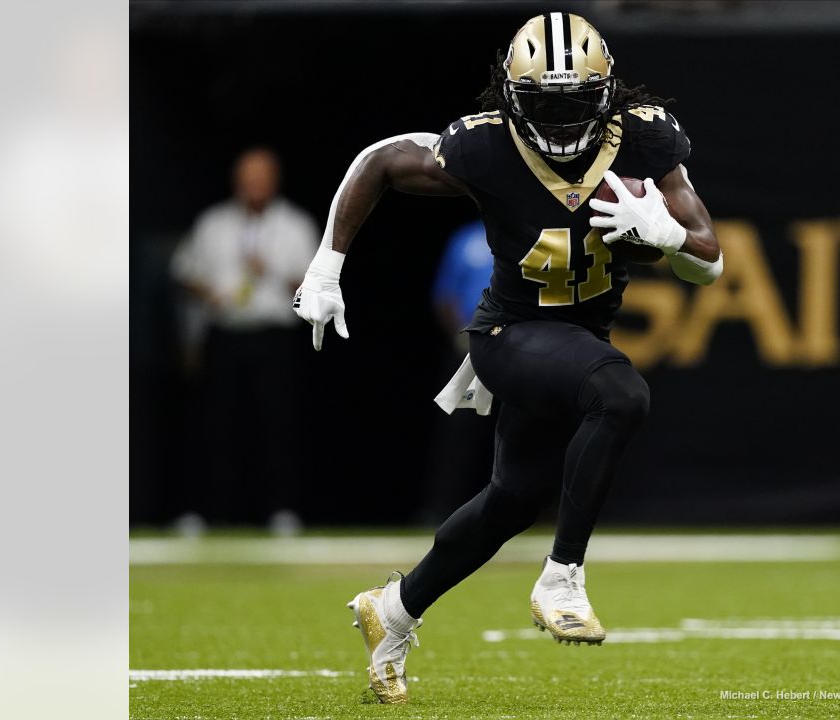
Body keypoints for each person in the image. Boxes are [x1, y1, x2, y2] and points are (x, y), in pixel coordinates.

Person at [293, 13, 722, 704]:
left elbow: (711, 262)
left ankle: (393, 611)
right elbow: (378, 160)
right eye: (543, 105)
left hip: (577, 338)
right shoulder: (486, 148)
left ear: (607, 95)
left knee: (510, 501)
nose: (557, 121)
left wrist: (669, 233)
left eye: (572, 103)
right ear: (512, 99)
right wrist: (325, 267)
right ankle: (563, 577)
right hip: (508, 334)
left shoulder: (643, 137)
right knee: (621, 396)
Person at [172, 147, 319, 532]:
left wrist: (270, 269)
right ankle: (204, 511)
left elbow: (313, 286)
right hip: (225, 333)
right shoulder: (213, 224)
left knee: (277, 425)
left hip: (274, 336)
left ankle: (282, 509)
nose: (254, 185)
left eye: (261, 177)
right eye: (247, 177)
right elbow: (185, 273)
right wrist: (207, 293)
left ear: (274, 180)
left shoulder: (295, 225)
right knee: (214, 425)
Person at [422, 219, 498, 523]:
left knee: (515, 430)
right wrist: (461, 335)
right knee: (460, 433)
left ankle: (516, 510)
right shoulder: (465, 239)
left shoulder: (526, 230)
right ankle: (444, 507)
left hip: (517, 346)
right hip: (470, 348)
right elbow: (445, 295)